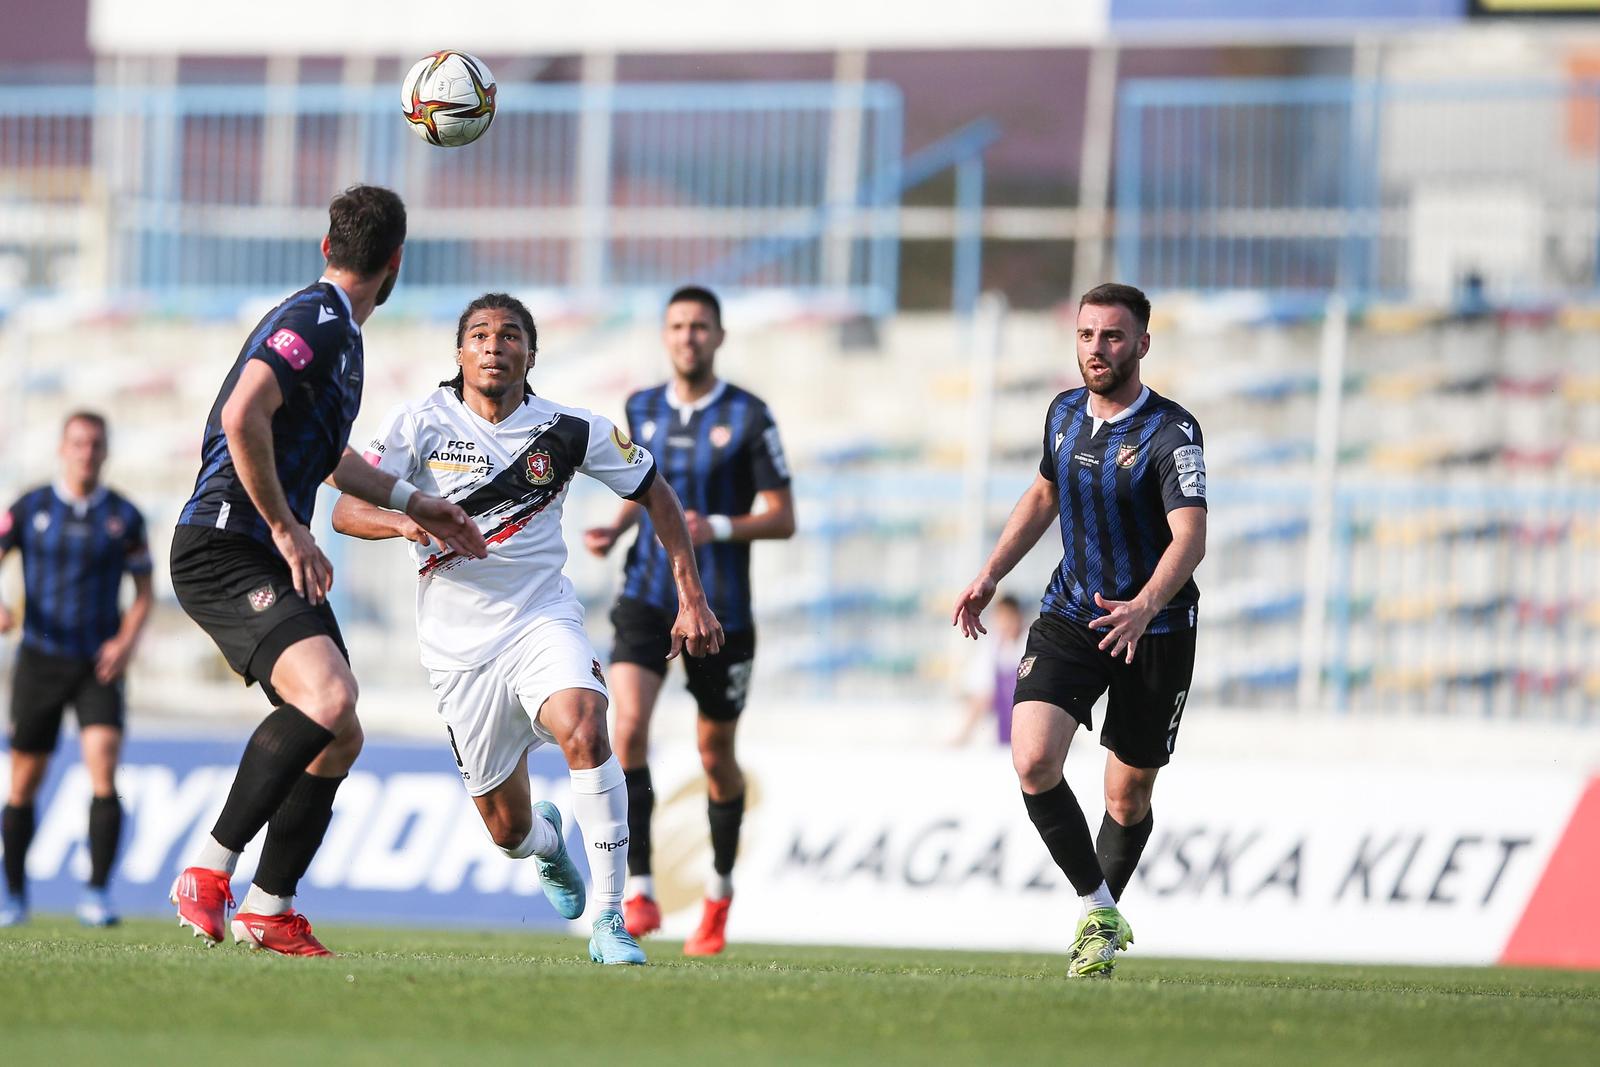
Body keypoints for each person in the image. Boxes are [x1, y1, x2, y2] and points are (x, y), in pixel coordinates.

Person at [333, 293, 723, 966]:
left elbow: (657, 490)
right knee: (507, 829)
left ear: (530, 355)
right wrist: (404, 520)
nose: (493, 345)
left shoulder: (569, 430)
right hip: (458, 650)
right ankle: (546, 842)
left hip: (541, 617)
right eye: (479, 335)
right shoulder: (419, 423)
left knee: (586, 723)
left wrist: (692, 594)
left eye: (509, 335)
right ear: (459, 354)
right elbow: (345, 508)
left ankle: (610, 918)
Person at [166, 185, 486, 957]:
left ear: (327, 244)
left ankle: (270, 905)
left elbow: (332, 459)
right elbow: (245, 413)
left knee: (339, 732)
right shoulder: (316, 318)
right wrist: (286, 526)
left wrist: (418, 503)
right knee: (328, 694)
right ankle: (208, 870)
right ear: (396, 264)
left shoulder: (340, 333)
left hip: (260, 546)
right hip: (224, 544)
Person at [952, 283, 1206, 979]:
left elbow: (1191, 537)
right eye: (1088, 335)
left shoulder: (1171, 432)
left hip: (1156, 626)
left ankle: (1101, 916)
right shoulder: (1063, 413)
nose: (1098, 349)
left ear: (1143, 344)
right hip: (1073, 612)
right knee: (1033, 758)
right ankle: (1098, 908)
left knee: (1128, 795)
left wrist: (1148, 603)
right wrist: (991, 572)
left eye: (1114, 336)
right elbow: (1044, 493)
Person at [585, 284, 795, 956]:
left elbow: (783, 515)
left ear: (719, 336)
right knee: (629, 726)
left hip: (721, 609)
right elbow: (640, 484)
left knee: (714, 755)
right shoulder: (641, 407)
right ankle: (640, 888)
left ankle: (718, 892)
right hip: (648, 592)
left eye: (700, 326)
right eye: (677, 326)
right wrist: (616, 528)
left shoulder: (750, 415)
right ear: (665, 335)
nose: (688, 337)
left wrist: (722, 525)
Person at [0, 412, 153, 928]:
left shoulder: (124, 516)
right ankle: (13, 893)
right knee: (23, 781)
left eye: (95, 444)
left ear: (106, 451)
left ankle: (97, 893)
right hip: (40, 661)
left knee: (104, 772)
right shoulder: (30, 507)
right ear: (63, 448)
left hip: (98, 664)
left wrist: (125, 643)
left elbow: (145, 592)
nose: (87, 452)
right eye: (78, 443)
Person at [952, 593, 1026, 747]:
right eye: (1001, 619)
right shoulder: (991, 647)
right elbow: (981, 695)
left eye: (1009, 619)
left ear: (1018, 617)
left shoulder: (1030, 643)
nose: (1005, 625)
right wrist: (964, 735)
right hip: (1002, 727)